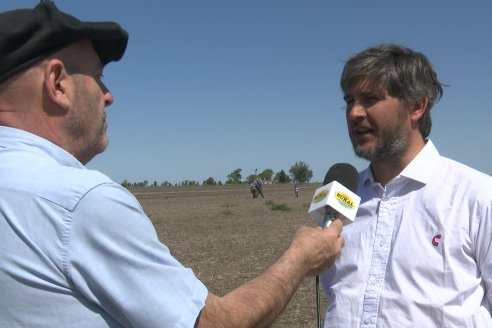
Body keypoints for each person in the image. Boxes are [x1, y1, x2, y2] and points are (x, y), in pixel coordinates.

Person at [0, 2, 345, 327]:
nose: (108, 95)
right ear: (57, 83)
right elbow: (220, 323)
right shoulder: (79, 203)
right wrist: (300, 258)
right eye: (98, 76)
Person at [320, 43, 492, 327]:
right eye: (349, 100)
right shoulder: (342, 199)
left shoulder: (478, 197)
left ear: (416, 105)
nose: (354, 113)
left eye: (370, 98)